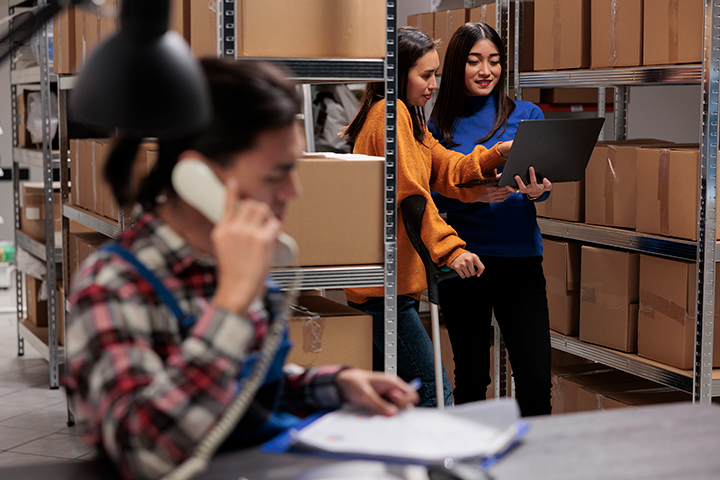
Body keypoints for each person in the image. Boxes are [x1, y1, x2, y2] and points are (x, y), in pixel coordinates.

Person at [63, 59, 419, 480]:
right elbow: (144, 449)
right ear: (199, 176)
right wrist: (229, 306)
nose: (294, 192)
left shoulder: (232, 261)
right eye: (277, 174)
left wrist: (334, 385)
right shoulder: (114, 284)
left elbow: (246, 391)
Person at [343, 26, 513, 408]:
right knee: (437, 398)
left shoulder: (408, 118)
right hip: (384, 292)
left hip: (389, 288)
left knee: (389, 402)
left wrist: (496, 153)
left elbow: (446, 167)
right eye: (426, 75)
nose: (433, 84)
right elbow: (412, 195)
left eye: (435, 74)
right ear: (398, 73)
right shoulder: (392, 115)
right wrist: (452, 251)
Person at [428, 22, 552, 417]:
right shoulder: (439, 125)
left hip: (521, 260)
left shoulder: (528, 114)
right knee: (470, 377)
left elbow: (545, 180)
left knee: (535, 377)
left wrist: (538, 191)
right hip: (465, 264)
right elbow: (426, 194)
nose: (486, 71)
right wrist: (472, 195)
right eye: (474, 61)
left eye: (495, 61)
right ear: (455, 66)